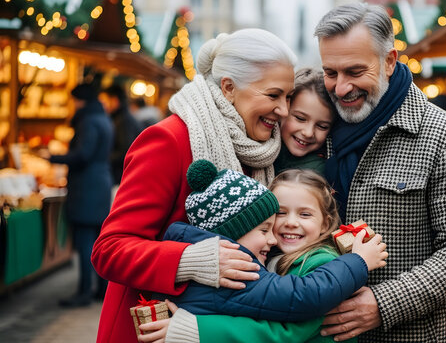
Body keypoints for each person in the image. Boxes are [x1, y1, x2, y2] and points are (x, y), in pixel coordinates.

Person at [91, 29, 297, 343]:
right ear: (228, 88)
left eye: (288, 96)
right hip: (151, 329)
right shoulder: (169, 140)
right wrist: (191, 260)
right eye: (273, 95)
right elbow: (109, 250)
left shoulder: (264, 149)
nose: (284, 110)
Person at [313, 3, 446, 342]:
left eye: (354, 71)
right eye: (330, 73)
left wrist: (383, 303)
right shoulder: (317, 129)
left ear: (390, 61)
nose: (340, 88)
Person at [139, 169, 385, 343]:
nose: (290, 223)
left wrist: (358, 261)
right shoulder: (250, 263)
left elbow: (290, 328)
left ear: (325, 223)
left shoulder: (322, 263)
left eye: (305, 214)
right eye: (279, 214)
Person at [49, 83, 113, 307]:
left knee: (85, 241)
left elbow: (83, 155)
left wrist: (53, 157)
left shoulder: (88, 121)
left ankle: (84, 291)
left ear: (80, 100)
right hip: (99, 186)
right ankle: (101, 290)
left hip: (87, 188)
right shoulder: (103, 118)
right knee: (97, 241)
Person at [274, 68, 334, 175]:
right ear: (284, 109)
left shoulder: (318, 170)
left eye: (322, 126)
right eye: (300, 118)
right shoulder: (261, 146)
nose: (308, 133)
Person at [98, 84, 143, 185]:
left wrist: (101, 157)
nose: (102, 105)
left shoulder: (124, 121)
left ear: (115, 100)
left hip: (121, 178)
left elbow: (125, 151)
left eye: (104, 101)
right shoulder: (119, 118)